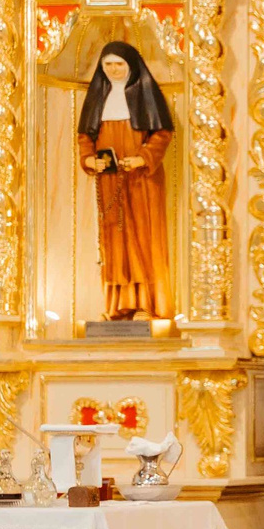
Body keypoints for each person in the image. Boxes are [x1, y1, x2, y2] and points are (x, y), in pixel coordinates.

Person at [76, 41, 176, 320]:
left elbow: (162, 133)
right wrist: (89, 159)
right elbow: (86, 136)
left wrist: (143, 157)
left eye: (119, 64)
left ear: (131, 66)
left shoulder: (145, 94)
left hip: (142, 180)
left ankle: (147, 304)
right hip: (109, 181)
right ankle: (118, 306)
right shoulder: (98, 96)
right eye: (108, 65)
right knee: (115, 240)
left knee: (144, 238)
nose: (113, 70)